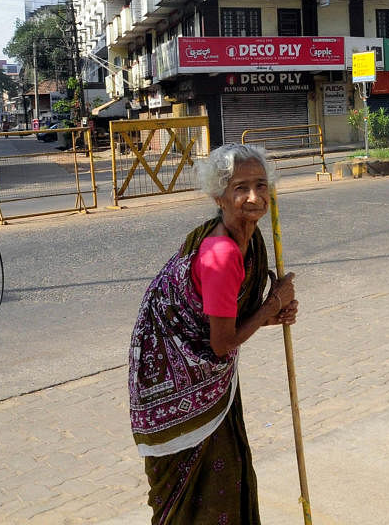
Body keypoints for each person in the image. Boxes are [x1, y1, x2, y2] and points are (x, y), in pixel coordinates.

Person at [127, 143, 299, 524]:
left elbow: (219, 321)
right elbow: (222, 344)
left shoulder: (246, 240)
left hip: (195, 378)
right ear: (219, 195)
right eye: (240, 188)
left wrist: (272, 315)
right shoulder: (221, 253)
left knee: (225, 476)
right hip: (178, 388)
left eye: (260, 184)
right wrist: (272, 305)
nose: (254, 196)